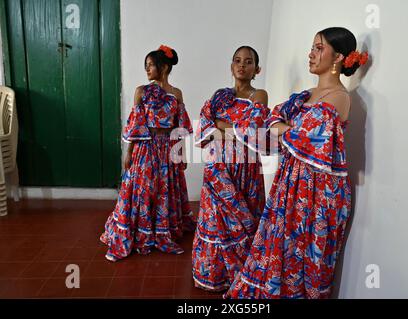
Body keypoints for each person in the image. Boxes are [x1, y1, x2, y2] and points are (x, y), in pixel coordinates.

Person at [226, 27, 368, 299]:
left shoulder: (339, 97)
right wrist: (284, 126)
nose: (311, 54)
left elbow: (299, 134)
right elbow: (274, 122)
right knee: (277, 246)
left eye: (318, 48)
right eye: (312, 47)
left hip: (316, 191)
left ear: (338, 57)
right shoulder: (306, 95)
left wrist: (284, 126)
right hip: (291, 180)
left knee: (301, 254)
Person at [100, 45, 195, 262]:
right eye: (146, 66)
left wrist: (182, 154)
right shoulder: (141, 91)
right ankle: (139, 231)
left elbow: (179, 127)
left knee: (164, 189)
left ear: (164, 66)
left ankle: (161, 232)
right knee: (142, 189)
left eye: (151, 65)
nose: (147, 70)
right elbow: (136, 125)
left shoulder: (176, 94)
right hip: (145, 148)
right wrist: (129, 153)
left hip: (167, 149)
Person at [192, 46, 270, 291]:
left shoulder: (259, 95)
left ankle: (242, 277)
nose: (242, 65)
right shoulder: (219, 96)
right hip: (217, 168)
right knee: (215, 221)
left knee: (243, 219)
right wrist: (231, 128)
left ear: (256, 69)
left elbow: (253, 128)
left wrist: (219, 124)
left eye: (248, 62)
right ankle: (213, 277)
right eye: (237, 60)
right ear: (231, 65)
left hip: (245, 169)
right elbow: (203, 124)